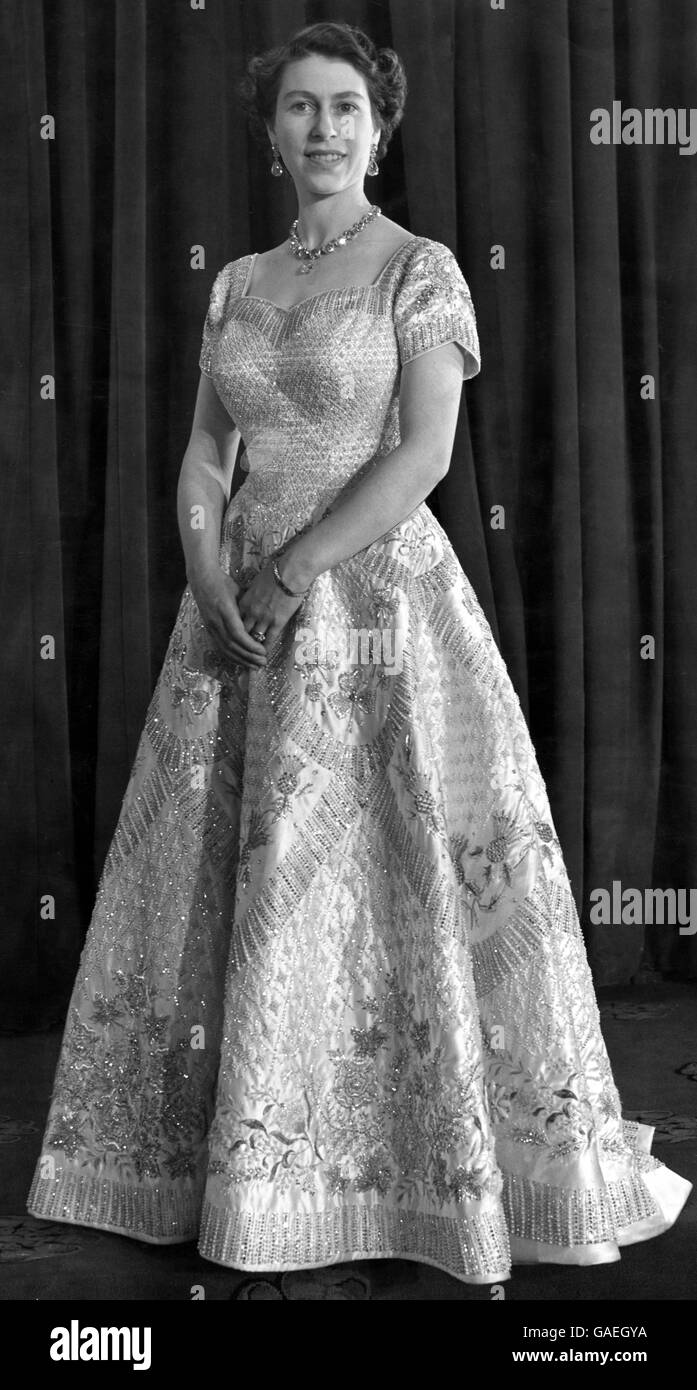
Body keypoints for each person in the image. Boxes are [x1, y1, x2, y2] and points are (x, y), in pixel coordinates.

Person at [27, 20, 690, 1287]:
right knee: (234, 883)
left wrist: (288, 569)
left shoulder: (420, 271)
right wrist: (209, 569)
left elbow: (422, 455)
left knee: (389, 887)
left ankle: (419, 1168)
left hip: (374, 608)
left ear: (379, 125)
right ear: (269, 129)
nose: (322, 128)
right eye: (297, 109)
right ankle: (241, 1169)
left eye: (343, 107)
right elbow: (206, 454)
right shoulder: (238, 281)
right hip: (233, 621)